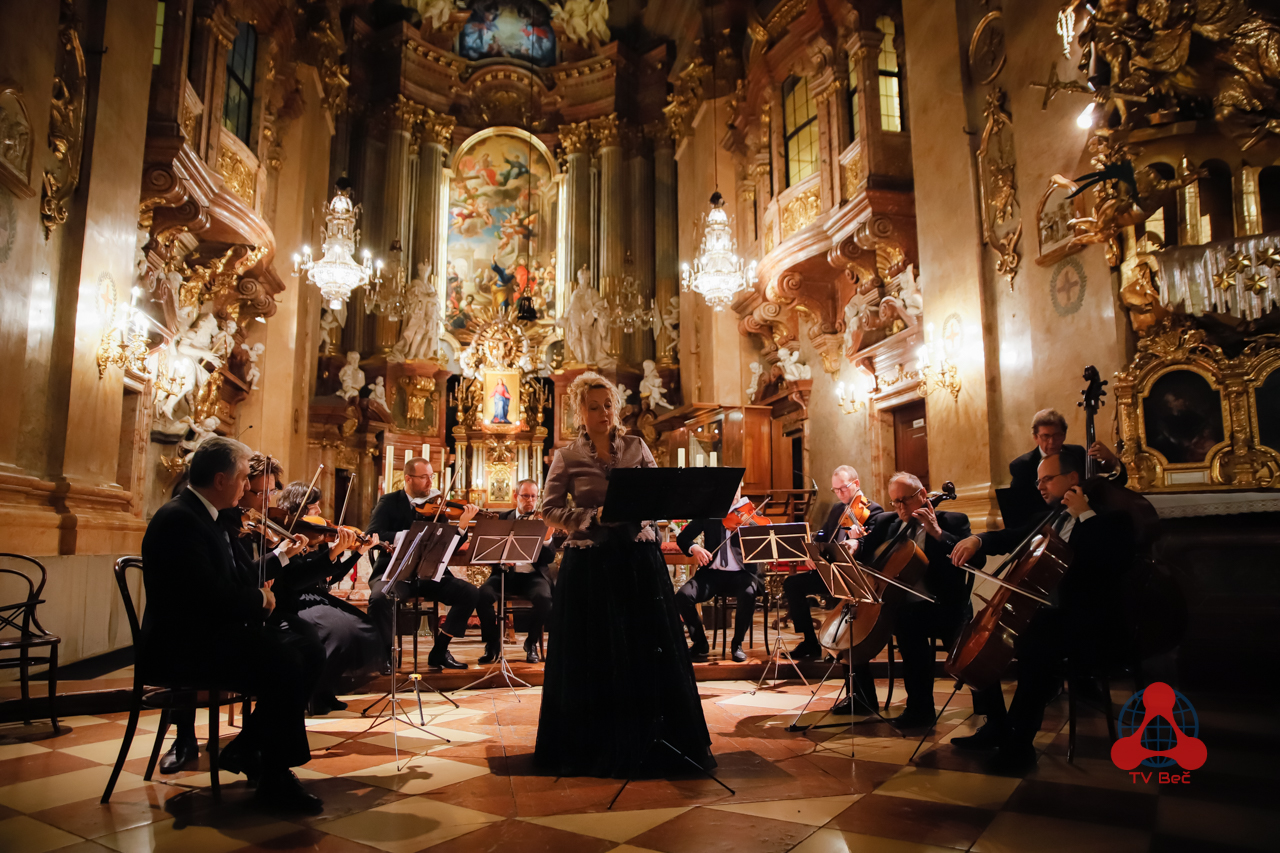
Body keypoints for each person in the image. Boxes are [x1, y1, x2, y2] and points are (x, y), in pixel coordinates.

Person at [535, 372, 713, 777]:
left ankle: (654, 737)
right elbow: (548, 510)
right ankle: (595, 743)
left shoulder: (636, 445)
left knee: (645, 647)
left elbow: (660, 494)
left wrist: (642, 512)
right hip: (591, 563)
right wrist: (590, 517)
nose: (603, 412)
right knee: (597, 651)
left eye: (608, 404)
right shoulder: (566, 456)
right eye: (594, 406)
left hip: (637, 559)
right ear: (579, 411)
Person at [139, 438, 325, 814]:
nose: (248, 489)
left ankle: (247, 748)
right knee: (285, 661)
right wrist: (259, 600)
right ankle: (274, 776)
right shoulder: (181, 520)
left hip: (210, 634)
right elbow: (204, 594)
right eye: (244, 479)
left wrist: (272, 570)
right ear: (221, 479)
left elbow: (238, 574)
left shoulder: (206, 516)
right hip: (183, 646)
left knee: (309, 649)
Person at [950, 451, 1136, 772]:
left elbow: (1110, 562)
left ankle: (1019, 747)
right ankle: (996, 725)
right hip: (1048, 616)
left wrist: (1086, 515)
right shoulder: (1047, 518)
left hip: (1086, 621)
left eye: (1047, 478)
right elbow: (1010, 536)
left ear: (1073, 479)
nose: (1040, 486)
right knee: (982, 638)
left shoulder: (1111, 519)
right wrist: (978, 540)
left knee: (1036, 645)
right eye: (1038, 481)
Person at [856, 472, 981, 728]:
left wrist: (936, 533)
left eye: (906, 500)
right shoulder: (888, 522)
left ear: (923, 494)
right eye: (895, 502)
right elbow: (865, 545)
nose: (901, 507)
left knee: (965, 654)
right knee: (904, 625)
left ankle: (985, 703)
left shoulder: (953, 521)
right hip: (910, 609)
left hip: (947, 606)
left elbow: (974, 561)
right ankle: (920, 710)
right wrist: (853, 545)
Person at [366, 457, 498, 671]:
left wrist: (462, 527)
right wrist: (406, 536)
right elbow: (372, 535)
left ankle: (439, 650)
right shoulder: (389, 502)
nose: (430, 482)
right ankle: (384, 655)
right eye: (424, 477)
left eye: (431, 476)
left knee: (469, 593)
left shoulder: (437, 507)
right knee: (380, 598)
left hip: (428, 573)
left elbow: (447, 546)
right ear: (408, 479)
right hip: (395, 573)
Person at [273, 481, 384, 715]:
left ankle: (324, 689)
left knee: (363, 628)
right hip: (295, 600)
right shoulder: (285, 537)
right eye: (314, 507)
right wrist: (333, 553)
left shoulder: (319, 535)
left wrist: (357, 554)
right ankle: (312, 692)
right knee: (340, 631)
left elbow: (331, 578)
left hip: (318, 597)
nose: (320, 513)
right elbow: (295, 580)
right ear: (299, 510)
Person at [785, 466, 887, 661]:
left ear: (856, 484)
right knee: (792, 584)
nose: (839, 493)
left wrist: (859, 542)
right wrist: (811, 552)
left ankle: (841, 646)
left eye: (843, 488)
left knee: (845, 596)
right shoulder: (837, 509)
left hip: (856, 576)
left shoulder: (874, 511)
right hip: (832, 571)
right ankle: (809, 642)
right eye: (835, 490)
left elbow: (873, 548)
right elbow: (823, 534)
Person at [675, 481, 763, 663]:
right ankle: (700, 643)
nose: (732, 494)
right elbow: (683, 537)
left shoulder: (751, 514)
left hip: (742, 574)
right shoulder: (710, 513)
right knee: (683, 596)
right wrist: (694, 548)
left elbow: (764, 546)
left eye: (735, 488)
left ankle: (737, 644)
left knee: (748, 593)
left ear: (741, 488)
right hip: (712, 574)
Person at [480, 478, 559, 663]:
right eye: (525, 496)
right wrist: (501, 561)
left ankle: (531, 643)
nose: (529, 500)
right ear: (516, 496)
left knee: (544, 599)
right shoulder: (502, 518)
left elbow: (548, 559)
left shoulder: (542, 521)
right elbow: (489, 552)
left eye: (533, 496)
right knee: (482, 595)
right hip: (505, 575)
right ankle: (492, 643)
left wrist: (547, 540)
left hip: (533, 576)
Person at [1006, 408, 1124, 528]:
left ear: (1064, 435)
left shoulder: (1077, 453)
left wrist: (1111, 460)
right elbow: (1018, 513)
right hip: (1047, 530)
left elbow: (1112, 484)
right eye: (1045, 436)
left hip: (1083, 524)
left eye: (1057, 435)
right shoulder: (1022, 466)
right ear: (1036, 437)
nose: (1052, 441)